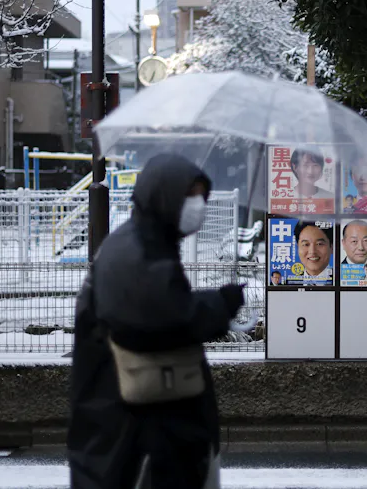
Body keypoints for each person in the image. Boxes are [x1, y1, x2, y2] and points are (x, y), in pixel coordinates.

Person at [67, 154, 245, 489]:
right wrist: (221, 303)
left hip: (145, 423)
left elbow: (164, 303)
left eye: (200, 197)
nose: (198, 206)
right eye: (189, 196)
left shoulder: (145, 241)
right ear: (164, 195)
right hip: (136, 433)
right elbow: (168, 315)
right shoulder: (138, 251)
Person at [288, 221, 333, 285]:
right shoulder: (288, 283)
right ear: (297, 247)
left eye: (319, 244)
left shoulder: (343, 280)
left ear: (331, 247)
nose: (312, 251)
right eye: (306, 244)